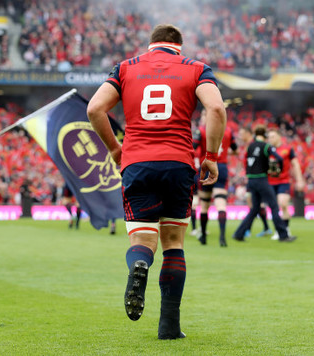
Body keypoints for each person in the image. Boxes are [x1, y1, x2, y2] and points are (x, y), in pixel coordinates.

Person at [87, 24, 226, 339]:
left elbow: (94, 108)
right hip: (178, 162)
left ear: (151, 45)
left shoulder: (126, 68)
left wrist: (114, 149)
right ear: (179, 45)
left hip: (137, 162)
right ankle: (169, 328)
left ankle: (140, 266)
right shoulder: (196, 68)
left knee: (142, 241)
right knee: (173, 243)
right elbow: (216, 108)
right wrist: (211, 156)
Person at [232, 125, 295, 242]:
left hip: (251, 180)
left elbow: (245, 161)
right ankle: (283, 235)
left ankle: (239, 233)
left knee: (255, 208)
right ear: (265, 136)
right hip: (261, 179)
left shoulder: (250, 146)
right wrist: (279, 169)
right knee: (274, 207)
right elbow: (280, 159)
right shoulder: (266, 146)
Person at [193, 110, 237, 246]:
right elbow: (234, 149)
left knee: (205, 205)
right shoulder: (228, 131)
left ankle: (203, 237)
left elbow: (193, 147)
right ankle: (222, 238)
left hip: (206, 166)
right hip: (222, 167)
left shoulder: (201, 131)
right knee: (221, 204)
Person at [267, 129, 305, 240]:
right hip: (270, 182)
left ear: (279, 136)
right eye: (269, 137)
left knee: (283, 204)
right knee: (274, 208)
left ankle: (285, 229)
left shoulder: (287, 149)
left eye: (273, 136)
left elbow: (295, 164)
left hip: (283, 181)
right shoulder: (267, 150)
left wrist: (299, 180)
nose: (270, 139)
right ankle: (278, 230)